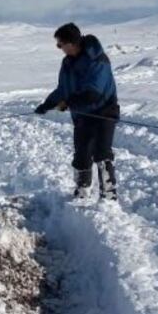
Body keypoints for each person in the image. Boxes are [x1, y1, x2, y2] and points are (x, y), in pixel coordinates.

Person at [35, 23, 120, 200]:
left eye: (60, 44)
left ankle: (109, 197)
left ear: (71, 43)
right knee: (81, 154)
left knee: (102, 153)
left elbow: (93, 93)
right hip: (82, 115)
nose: (59, 48)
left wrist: (68, 103)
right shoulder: (67, 63)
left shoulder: (97, 59)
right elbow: (63, 89)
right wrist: (47, 104)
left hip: (103, 112)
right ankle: (82, 192)